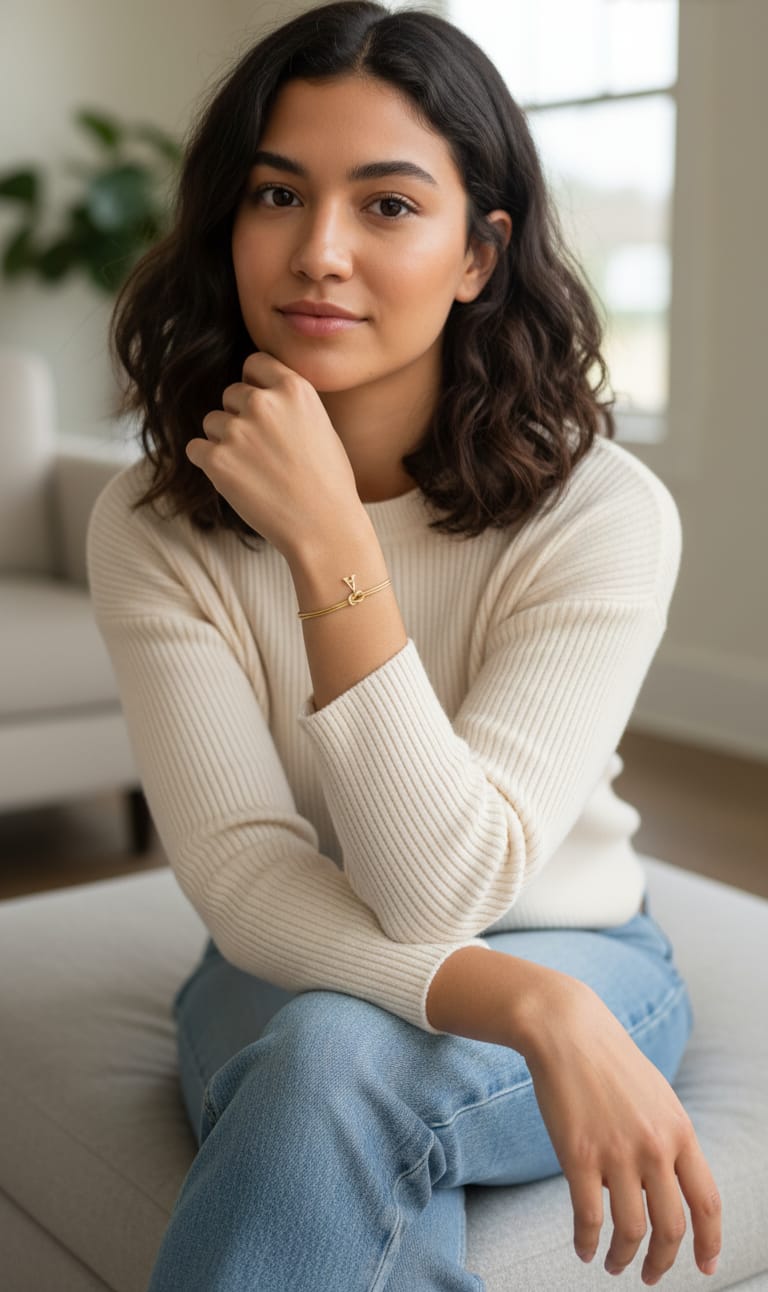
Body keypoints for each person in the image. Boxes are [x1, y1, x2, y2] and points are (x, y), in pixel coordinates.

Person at [86, 2, 722, 1288]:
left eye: (387, 204)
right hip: (301, 954)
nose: (319, 251)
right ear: (228, 222)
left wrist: (332, 544)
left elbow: (450, 883)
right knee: (324, 1049)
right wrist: (527, 1010)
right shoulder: (153, 522)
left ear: (479, 253)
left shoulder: (600, 513)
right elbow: (249, 873)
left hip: (578, 943)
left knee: (331, 1062)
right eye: (278, 193)